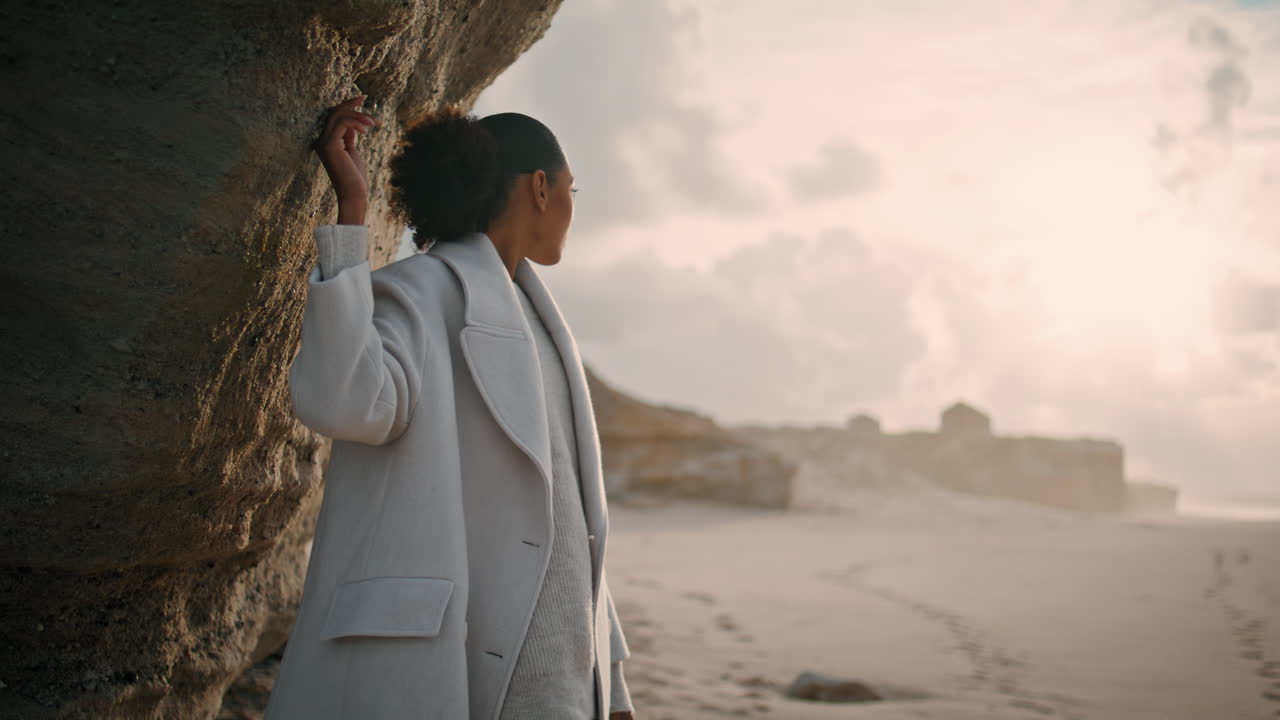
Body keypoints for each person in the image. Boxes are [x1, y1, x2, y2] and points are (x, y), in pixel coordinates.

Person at [266, 95, 636, 719]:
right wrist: (351, 218)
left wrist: (613, 683)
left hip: (567, 675)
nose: (574, 207)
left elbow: (571, 520)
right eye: (574, 188)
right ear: (541, 188)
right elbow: (347, 401)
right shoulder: (419, 292)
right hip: (467, 665)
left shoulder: (546, 323)